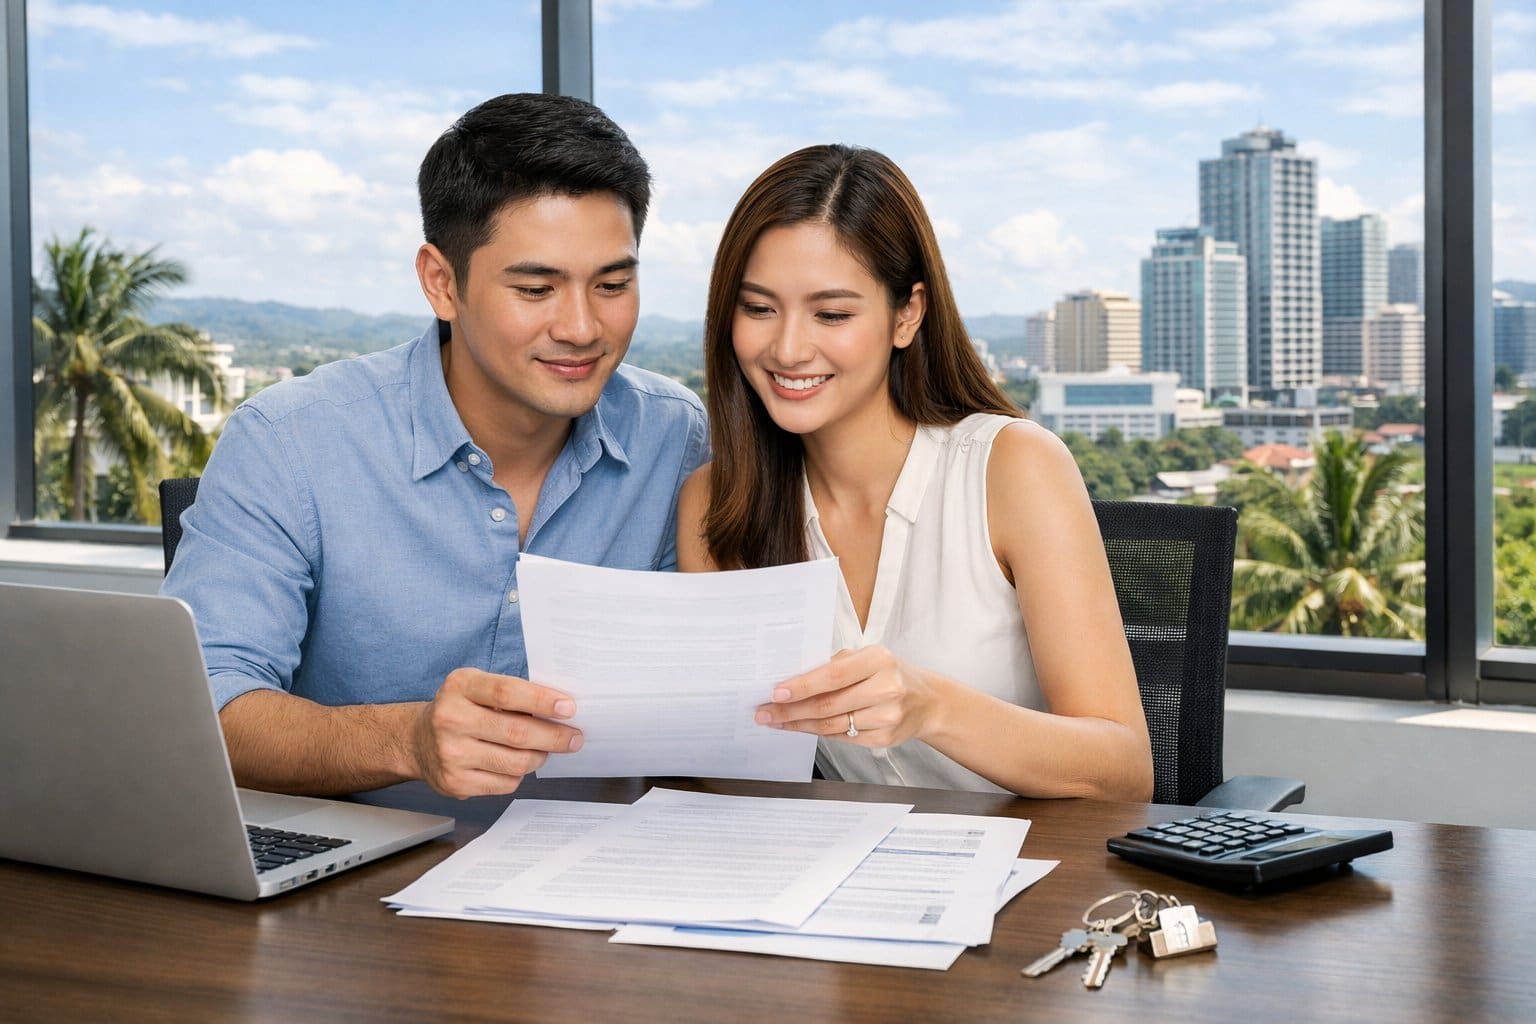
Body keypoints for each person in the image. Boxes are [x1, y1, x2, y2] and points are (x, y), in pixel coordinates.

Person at [163, 94, 708, 799]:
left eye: (612, 284)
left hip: (595, 880)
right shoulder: (290, 442)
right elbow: (206, 705)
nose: (581, 327)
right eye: (537, 288)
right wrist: (407, 741)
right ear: (441, 282)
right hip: (349, 889)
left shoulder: (675, 435)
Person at [676, 144, 1152, 799]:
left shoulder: (1015, 468)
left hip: (1036, 878)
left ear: (907, 313)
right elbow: (734, 775)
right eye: (758, 308)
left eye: (832, 314)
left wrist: (932, 706)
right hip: (839, 879)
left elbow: (1124, 773)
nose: (786, 348)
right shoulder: (718, 505)